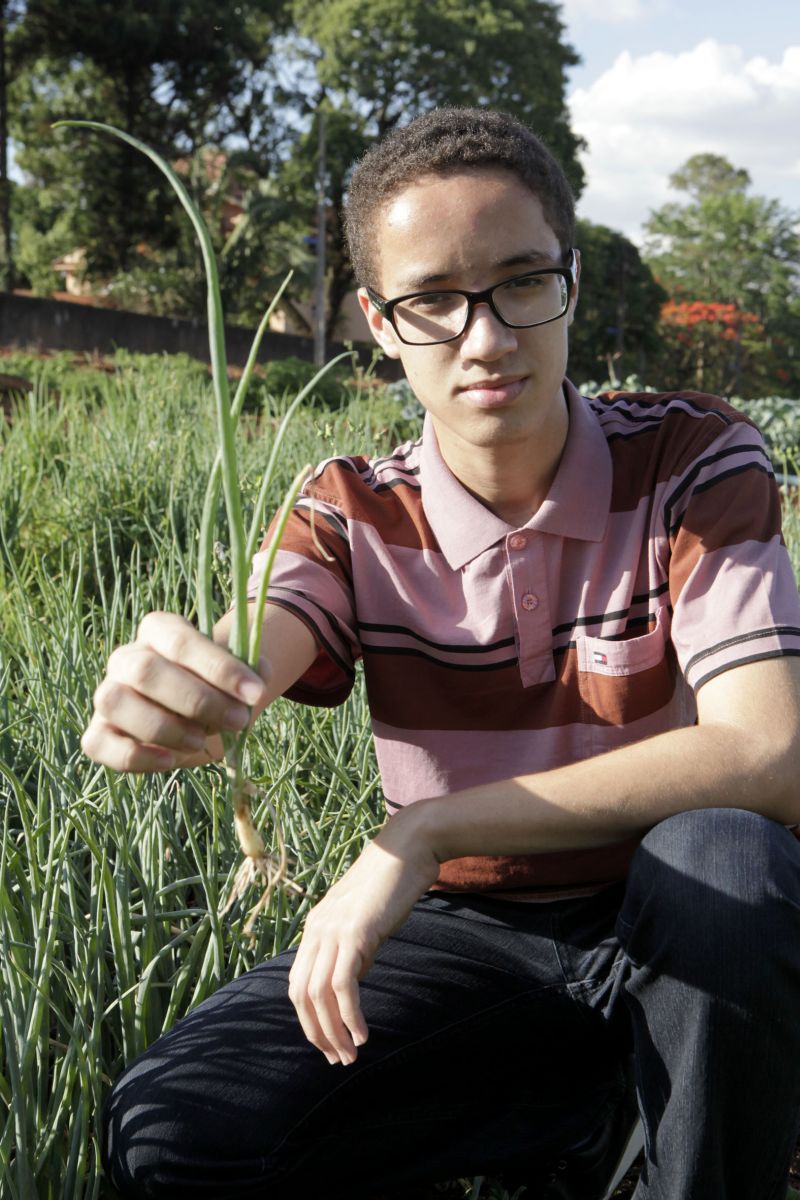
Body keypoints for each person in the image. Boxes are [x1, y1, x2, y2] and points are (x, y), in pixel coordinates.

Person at [84, 108, 800, 1199]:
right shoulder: (351, 509)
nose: (486, 338)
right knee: (173, 1130)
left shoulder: (691, 459)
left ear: (570, 283)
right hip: (479, 933)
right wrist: (193, 686)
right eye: (432, 301)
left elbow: (768, 753)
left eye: (521, 282)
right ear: (380, 322)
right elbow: (263, 633)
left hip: (685, 921)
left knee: (725, 858)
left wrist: (426, 829)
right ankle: (582, 1117)